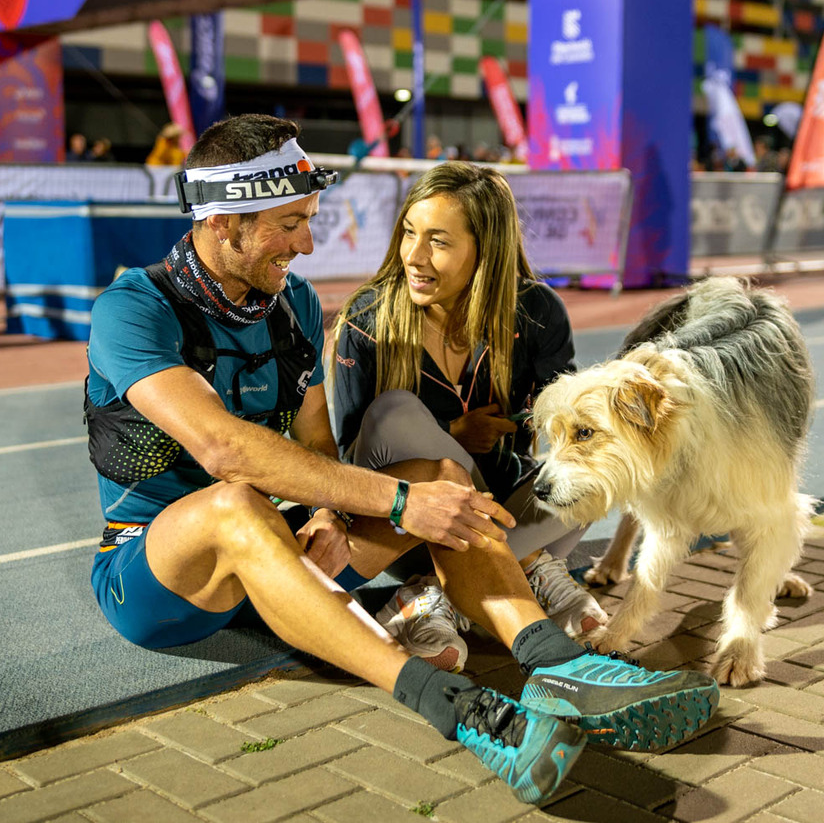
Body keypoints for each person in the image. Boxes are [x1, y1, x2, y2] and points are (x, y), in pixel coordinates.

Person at [83, 115, 716, 805]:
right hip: (159, 576)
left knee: (441, 479)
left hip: (285, 555)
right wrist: (397, 504)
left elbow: (317, 443)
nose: (307, 243)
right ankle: (454, 705)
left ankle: (558, 663)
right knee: (239, 506)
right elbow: (224, 449)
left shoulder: (294, 303)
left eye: (309, 221)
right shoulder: (133, 307)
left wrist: (330, 512)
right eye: (290, 224)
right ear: (224, 219)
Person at [331, 163, 609, 672]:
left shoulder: (537, 311)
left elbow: (569, 431)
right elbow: (351, 458)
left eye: (437, 241)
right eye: (409, 233)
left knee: (598, 467)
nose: (413, 256)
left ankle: (433, 597)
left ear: (486, 250)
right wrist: (451, 434)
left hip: (509, 514)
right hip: (410, 532)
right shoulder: (367, 318)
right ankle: (527, 570)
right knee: (395, 411)